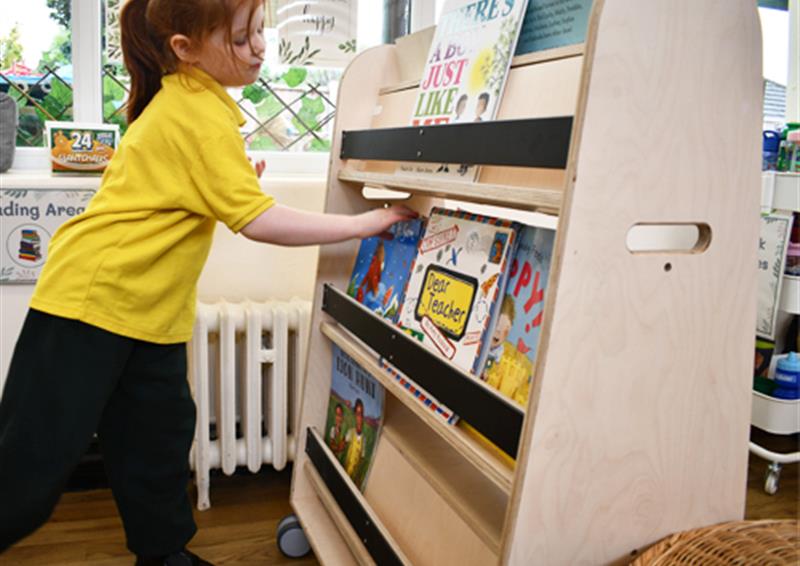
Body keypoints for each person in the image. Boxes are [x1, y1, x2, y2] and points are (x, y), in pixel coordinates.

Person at [0, 0, 414, 564]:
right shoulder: (194, 113)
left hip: (150, 313)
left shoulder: (196, 107)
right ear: (184, 49)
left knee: (157, 442)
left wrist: (235, 184)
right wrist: (362, 224)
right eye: (242, 39)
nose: (261, 48)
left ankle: (165, 554)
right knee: (31, 465)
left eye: (261, 31)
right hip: (91, 302)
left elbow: (189, 191)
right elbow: (259, 222)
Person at [343, 399, 366, 480]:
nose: (360, 418)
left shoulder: (364, 439)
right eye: (358, 414)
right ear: (355, 416)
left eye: (361, 414)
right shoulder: (350, 432)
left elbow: (362, 460)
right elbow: (341, 446)